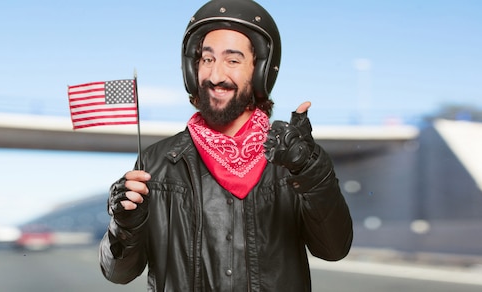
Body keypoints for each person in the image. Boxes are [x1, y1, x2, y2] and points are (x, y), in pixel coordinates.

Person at [99, 0, 353, 291]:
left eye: (232, 60)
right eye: (207, 60)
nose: (216, 75)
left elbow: (334, 249)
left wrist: (310, 169)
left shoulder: (291, 160)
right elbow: (118, 273)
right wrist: (125, 223)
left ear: (260, 70)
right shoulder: (156, 162)